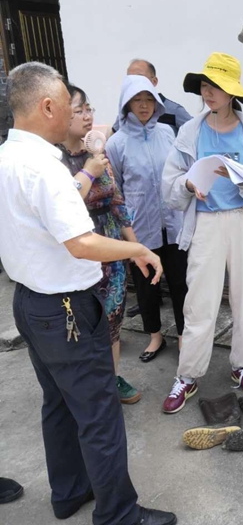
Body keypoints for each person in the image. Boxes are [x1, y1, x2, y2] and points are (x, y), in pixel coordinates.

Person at [0, 62, 176, 524]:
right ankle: (119, 514)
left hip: (29, 302)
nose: (78, 112)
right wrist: (138, 248)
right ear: (47, 106)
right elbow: (81, 243)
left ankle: (70, 492)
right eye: (70, 104)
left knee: (59, 403)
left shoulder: (7, 156)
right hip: (66, 309)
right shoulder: (44, 167)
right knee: (99, 414)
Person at [161, 52, 243, 413]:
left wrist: (242, 178)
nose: (208, 93)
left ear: (232, 92)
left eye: (216, 86)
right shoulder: (190, 131)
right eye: (205, 86)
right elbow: (170, 182)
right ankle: (188, 374)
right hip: (206, 222)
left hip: (242, 220)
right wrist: (188, 183)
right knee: (199, 302)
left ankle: (242, 365)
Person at [58, 84, 141, 404]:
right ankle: (86, 388)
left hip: (111, 246)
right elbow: (61, 210)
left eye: (89, 108)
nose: (88, 116)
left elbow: (118, 203)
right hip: (79, 249)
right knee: (82, 322)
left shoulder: (97, 154)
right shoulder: (54, 161)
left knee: (113, 317)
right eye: (79, 110)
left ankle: (112, 379)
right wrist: (89, 173)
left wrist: (137, 250)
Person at [106, 75, 188, 360]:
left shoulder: (167, 134)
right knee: (146, 286)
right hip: (139, 227)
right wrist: (125, 230)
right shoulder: (116, 143)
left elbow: (179, 172)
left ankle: (183, 336)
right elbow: (116, 189)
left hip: (174, 223)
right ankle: (155, 336)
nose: (144, 106)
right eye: (137, 100)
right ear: (126, 104)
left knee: (180, 282)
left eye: (149, 99)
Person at [112, 59, 192, 135]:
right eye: (130, 79)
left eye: (140, 78)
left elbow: (196, 133)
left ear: (154, 81)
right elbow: (113, 136)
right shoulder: (126, 111)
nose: (134, 83)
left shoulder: (174, 111)